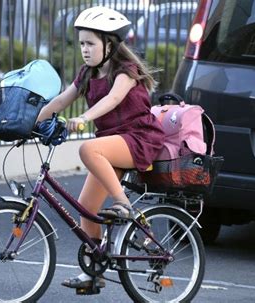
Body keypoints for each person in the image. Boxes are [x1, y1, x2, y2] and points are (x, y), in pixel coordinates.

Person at [37, 6, 165, 290]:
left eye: (90, 43)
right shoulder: (86, 74)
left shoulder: (126, 70)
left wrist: (84, 117)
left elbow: (115, 99)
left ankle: (124, 206)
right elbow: (60, 102)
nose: (84, 49)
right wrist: (30, 122)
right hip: (112, 144)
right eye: (81, 43)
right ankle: (93, 273)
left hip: (138, 139)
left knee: (88, 148)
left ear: (109, 44)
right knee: (87, 210)